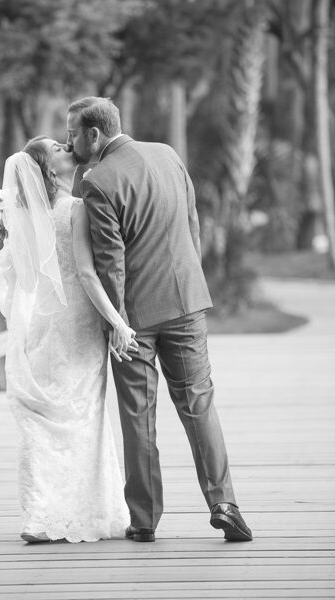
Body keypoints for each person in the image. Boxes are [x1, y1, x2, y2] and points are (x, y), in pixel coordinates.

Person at [67, 97, 253, 543]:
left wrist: (118, 323)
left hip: (135, 319)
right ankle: (224, 502)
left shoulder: (98, 182)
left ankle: (145, 519)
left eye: (73, 133)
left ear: (94, 135)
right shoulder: (168, 155)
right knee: (199, 404)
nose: (69, 141)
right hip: (187, 303)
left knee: (138, 416)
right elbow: (192, 226)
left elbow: (111, 265)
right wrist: (190, 283)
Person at [0, 136, 137, 543]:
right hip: (76, 322)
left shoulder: (19, 213)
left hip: (39, 324)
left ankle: (40, 516)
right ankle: (89, 511)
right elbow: (89, 275)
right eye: (56, 147)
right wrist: (119, 323)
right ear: (49, 169)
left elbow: (14, 272)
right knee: (84, 413)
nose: (64, 145)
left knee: (44, 419)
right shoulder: (74, 210)